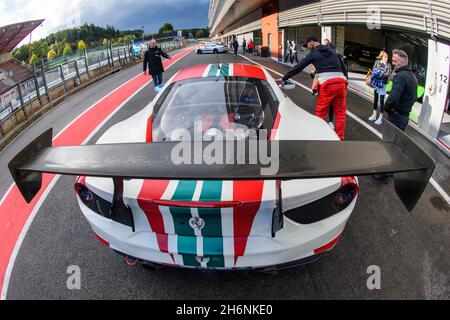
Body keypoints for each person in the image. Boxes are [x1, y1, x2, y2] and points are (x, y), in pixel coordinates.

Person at [280, 36, 348, 140]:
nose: (308, 48)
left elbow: (299, 67)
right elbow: (343, 67)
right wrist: (346, 82)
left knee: (321, 113)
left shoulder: (313, 54)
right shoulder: (332, 50)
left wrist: (285, 77)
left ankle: (318, 137)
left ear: (311, 42)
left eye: (308, 45)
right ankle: (340, 138)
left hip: (327, 85)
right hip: (341, 84)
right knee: (340, 113)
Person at [372, 49, 418, 184]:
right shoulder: (412, 76)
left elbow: (392, 98)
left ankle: (384, 176)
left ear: (403, 62)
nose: (393, 63)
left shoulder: (400, 76)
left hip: (396, 117)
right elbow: (413, 97)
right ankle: (391, 171)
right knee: (396, 146)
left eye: (395, 61)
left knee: (388, 146)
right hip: (404, 117)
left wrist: (385, 109)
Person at [369, 51, 393, 125]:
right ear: (381, 57)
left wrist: (379, 74)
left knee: (382, 101)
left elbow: (388, 74)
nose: (386, 59)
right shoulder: (377, 62)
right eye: (385, 57)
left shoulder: (388, 65)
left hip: (383, 84)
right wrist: (378, 73)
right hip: (376, 83)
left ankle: (380, 118)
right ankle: (374, 114)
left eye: (387, 57)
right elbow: (374, 70)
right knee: (375, 99)